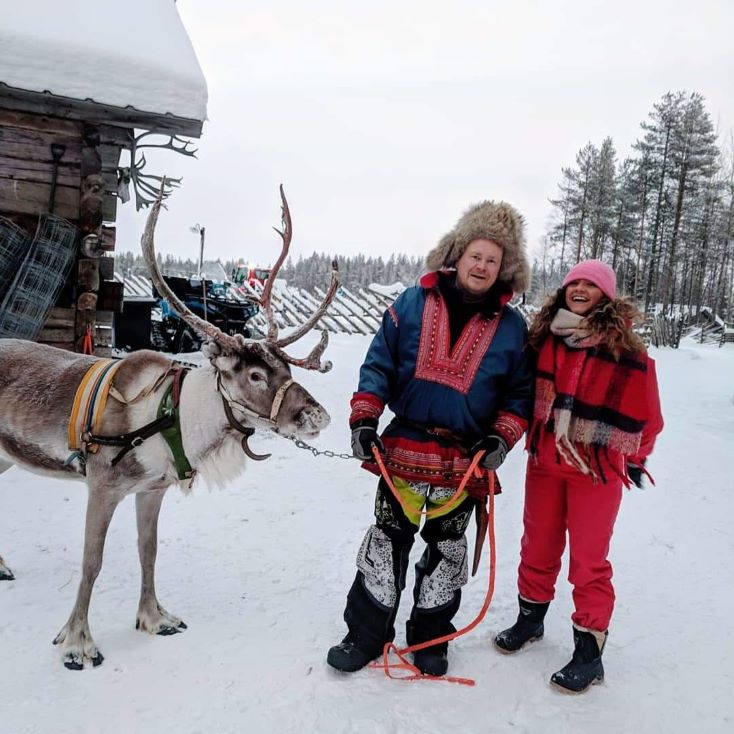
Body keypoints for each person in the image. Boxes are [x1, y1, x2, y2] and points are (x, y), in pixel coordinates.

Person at [326, 200, 534, 676]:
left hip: (465, 460)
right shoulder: (412, 302)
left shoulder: (513, 328)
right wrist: (364, 418)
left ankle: (431, 639)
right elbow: (379, 362)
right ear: (457, 254)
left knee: (448, 552)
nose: (482, 266)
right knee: (385, 542)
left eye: (493, 260)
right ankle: (365, 635)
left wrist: (500, 440)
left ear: (504, 269)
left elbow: (519, 395)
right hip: (402, 448)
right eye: (476, 255)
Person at [494, 259, 664, 693]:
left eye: (591, 284)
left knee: (588, 562)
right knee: (537, 545)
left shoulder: (629, 351)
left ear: (605, 295)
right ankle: (530, 621)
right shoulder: (544, 338)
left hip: (596, 472)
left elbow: (649, 419)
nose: (581, 289)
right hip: (545, 463)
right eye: (575, 282)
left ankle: (589, 653)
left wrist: (628, 457)